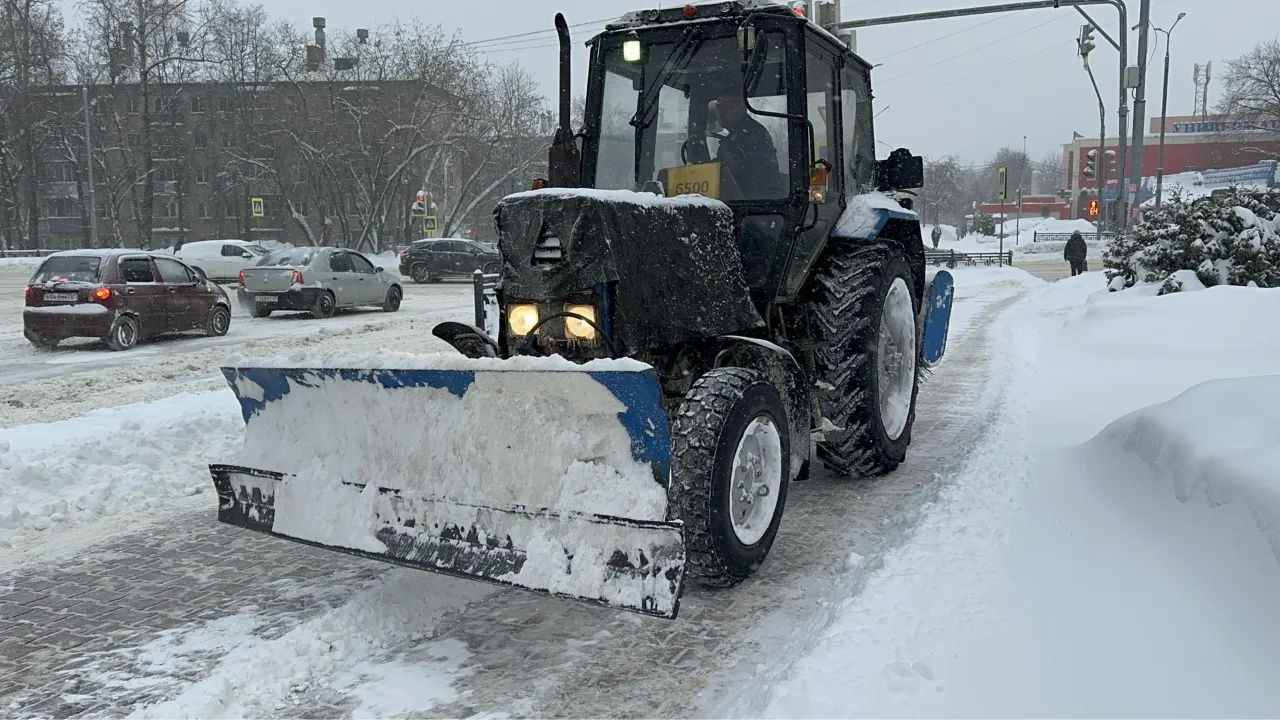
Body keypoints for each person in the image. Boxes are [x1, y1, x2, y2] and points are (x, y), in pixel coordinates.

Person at [714, 90, 783, 199]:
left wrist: (719, 169)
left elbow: (746, 176)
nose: (720, 112)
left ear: (742, 108)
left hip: (755, 206)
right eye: (718, 106)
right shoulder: (737, 134)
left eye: (728, 105)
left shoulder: (752, 135)